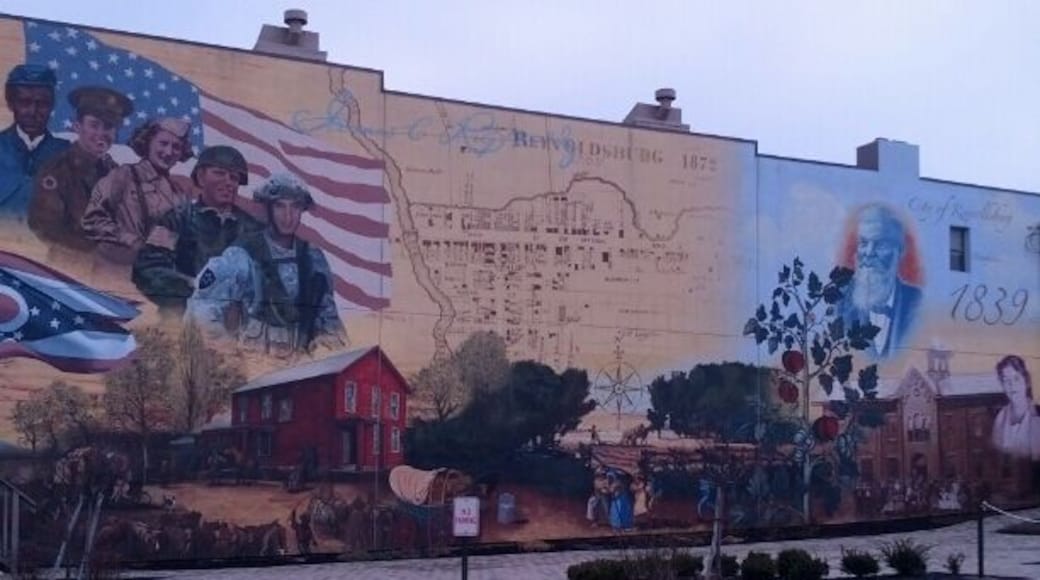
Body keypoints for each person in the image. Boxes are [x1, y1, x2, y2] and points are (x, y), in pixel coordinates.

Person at [185, 173, 345, 355]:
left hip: (300, 370)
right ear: (268, 209)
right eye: (279, 206)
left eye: (295, 207)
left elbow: (329, 320)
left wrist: (326, 352)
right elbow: (201, 308)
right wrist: (226, 354)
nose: (288, 216)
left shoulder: (313, 258)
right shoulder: (242, 254)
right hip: (254, 366)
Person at [132, 145, 262, 314]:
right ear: (201, 177)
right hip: (181, 322)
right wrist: (194, 287)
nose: (228, 182)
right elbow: (148, 269)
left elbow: (268, 280)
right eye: (219, 173)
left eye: (234, 177)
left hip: (236, 328)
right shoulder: (176, 219)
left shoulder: (253, 230)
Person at [28, 86, 133, 264]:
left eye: (108, 127)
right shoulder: (57, 170)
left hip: (111, 272)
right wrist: (96, 249)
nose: (101, 134)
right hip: (69, 268)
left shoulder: (116, 173)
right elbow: (44, 226)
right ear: (77, 126)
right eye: (94, 125)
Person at [81, 117, 193, 267]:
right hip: (115, 267)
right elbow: (92, 221)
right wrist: (130, 239)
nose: (168, 152)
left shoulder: (179, 194)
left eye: (176, 147)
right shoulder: (123, 176)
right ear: (148, 142)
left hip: (154, 275)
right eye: (163, 143)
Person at [840, 204, 922, 359]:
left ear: (900, 251)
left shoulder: (917, 304)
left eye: (881, 244)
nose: (869, 253)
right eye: (863, 243)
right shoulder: (840, 303)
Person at [0, 64, 70, 216]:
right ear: (11, 104)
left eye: (42, 104)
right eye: (25, 102)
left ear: (52, 105)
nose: (33, 112)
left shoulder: (68, 155)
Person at [991, 355, 1040, 461]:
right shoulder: (1000, 418)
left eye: (1016, 378)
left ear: (1026, 381)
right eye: (1006, 380)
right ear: (1002, 384)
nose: (1012, 385)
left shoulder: (1037, 413)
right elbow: (997, 454)